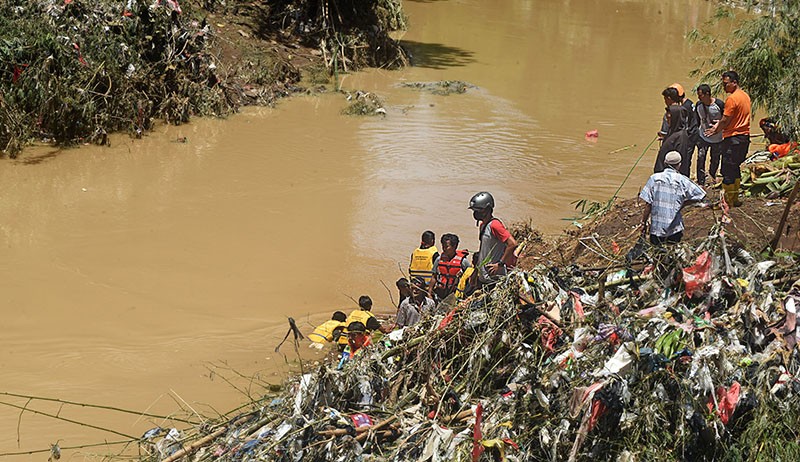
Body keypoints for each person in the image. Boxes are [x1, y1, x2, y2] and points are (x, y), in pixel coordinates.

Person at [704, 71, 751, 207]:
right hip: (744, 138)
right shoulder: (745, 96)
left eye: (726, 84)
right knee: (735, 167)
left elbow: (725, 120)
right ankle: (734, 198)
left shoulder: (732, 99)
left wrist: (715, 130)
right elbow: (733, 118)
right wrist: (720, 124)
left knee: (727, 170)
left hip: (733, 138)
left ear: (734, 83)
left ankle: (727, 202)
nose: (724, 87)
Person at [639, 151, 706, 245]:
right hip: (674, 229)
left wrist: (644, 222)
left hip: (656, 229)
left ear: (665, 163)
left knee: (657, 254)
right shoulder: (682, 180)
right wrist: (683, 203)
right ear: (679, 165)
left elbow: (648, 204)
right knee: (672, 252)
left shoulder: (654, 178)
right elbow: (701, 195)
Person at [468, 192, 518, 289]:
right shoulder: (483, 226)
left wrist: (500, 264)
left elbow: (512, 244)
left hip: (495, 279)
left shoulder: (495, 225)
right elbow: (483, 251)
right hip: (484, 277)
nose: (475, 213)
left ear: (487, 209)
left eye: (478, 210)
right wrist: (475, 271)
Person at [695, 84, 725, 185]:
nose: (699, 97)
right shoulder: (698, 105)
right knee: (700, 157)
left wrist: (718, 125)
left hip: (718, 138)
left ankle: (712, 176)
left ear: (707, 94)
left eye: (700, 95)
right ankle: (701, 181)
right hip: (703, 137)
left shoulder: (719, 105)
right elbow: (697, 121)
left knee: (715, 158)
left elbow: (726, 119)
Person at [429, 233, 471, 301]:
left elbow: (470, 277)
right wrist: (429, 292)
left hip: (455, 294)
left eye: (447, 246)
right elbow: (434, 277)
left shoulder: (463, 262)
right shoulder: (439, 259)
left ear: (454, 246)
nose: (444, 249)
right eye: (443, 246)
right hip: (440, 293)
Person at [654, 104, 690, 175]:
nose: (667, 121)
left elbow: (679, 161)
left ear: (676, 118)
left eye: (669, 118)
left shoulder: (681, 136)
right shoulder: (673, 131)